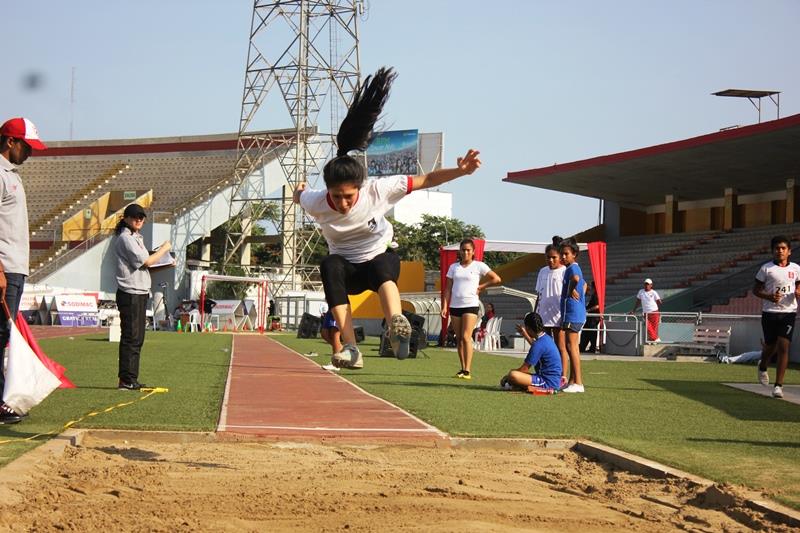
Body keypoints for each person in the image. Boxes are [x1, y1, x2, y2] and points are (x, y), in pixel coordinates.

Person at [293, 67, 482, 369]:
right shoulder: (317, 201)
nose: (342, 203)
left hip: (378, 260)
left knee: (383, 264)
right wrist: (300, 190)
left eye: (349, 196)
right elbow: (299, 196)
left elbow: (427, 179)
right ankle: (351, 349)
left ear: (360, 188)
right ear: (327, 190)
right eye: (336, 196)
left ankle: (396, 323)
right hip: (347, 270)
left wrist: (460, 171)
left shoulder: (378, 190)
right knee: (329, 264)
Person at [0, 117, 47, 424]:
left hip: (14, 268)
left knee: (3, 336)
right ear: (10, 142)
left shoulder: (11, 174)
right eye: (27, 146)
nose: (30, 153)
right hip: (5, 267)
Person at [113, 203, 172, 390]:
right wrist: (164, 249)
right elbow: (146, 262)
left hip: (138, 291)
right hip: (130, 292)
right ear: (126, 218)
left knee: (137, 338)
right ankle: (126, 379)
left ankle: (131, 378)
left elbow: (144, 267)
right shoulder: (126, 238)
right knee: (131, 337)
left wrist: (165, 263)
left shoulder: (135, 237)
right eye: (134, 217)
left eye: (141, 217)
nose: (139, 220)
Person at [442, 238, 501, 379]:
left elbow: (496, 279)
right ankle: (462, 368)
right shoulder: (453, 267)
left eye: (468, 250)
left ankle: (468, 370)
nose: (465, 252)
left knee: (466, 336)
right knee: (458, 339)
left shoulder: (479, 266)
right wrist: (444, 305)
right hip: (455, 305)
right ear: (459, 251)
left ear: (473, 251)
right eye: (463, 250)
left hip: (471, 305)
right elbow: (448, 288)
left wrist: (482, 286)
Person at [753, 235, 800, 399]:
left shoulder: (796, 268)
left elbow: (798, 284)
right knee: (770, 346)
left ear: (789, 251)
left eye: (783, 248)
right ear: (772, 251)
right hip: (770, 312)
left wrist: (798, 291)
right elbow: (756, 290)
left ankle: (778, 386)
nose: (780, 251)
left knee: (783, 346)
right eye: (777, 248)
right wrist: (769, 297)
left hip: (789, 313)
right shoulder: (766, 269)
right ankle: (763, 365)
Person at [535, 236, 569, 384]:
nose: (550, 260)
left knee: (560, 346)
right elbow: (539, 294)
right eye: (548, 257)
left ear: (560, 257)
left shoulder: (564, 271)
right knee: (544, 346)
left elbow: (579, 286)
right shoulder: (542, 271)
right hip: (543, 315)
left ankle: (563, 376)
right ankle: (546, 373)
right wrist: (536, 313)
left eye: (554, 257)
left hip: (558, 315)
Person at [503, 312, 562, 393]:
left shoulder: (538, 344)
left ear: (528, 328)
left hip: (547, 382)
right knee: (516, 376)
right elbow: (536, 347)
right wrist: (525, 334)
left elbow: (524, 369)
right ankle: (522, 386)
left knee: (513, 375)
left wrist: (507, 377)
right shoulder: (546, 338)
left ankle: (541, 389)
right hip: (553, 380)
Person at [559, 237, 586, 393]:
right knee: (570, 347)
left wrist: (571, 290)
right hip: (572, 313)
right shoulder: (571, 268)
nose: (563, 257)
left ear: (574, 254)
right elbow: (584, 283)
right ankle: (572, 381)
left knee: (572, 346)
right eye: (562, 254)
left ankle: (579, 383)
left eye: (566, 254)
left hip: (573, 313)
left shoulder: (572, 268)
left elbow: (576, 279)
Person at [632, 278, 662, 343]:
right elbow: (638, 301)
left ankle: (652, 340)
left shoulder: (654, 292)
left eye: (648, 284)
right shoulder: (641, 291)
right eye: (645, 284)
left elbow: (659, 301)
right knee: (648, 327)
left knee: (654, 328)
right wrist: (634, 310)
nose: (646, 285)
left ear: (651, 285)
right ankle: (656, 338)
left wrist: (656, 307)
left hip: (654, 312)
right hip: (646, 313)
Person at [580, 281, 600, 353]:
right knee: (589, 332)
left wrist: (588, 310)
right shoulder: (595, 295)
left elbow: (597, 306)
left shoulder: (596, 295)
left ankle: (587, 347)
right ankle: (586, 347)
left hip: (593, 318)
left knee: (589, 332)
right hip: (593, 317)